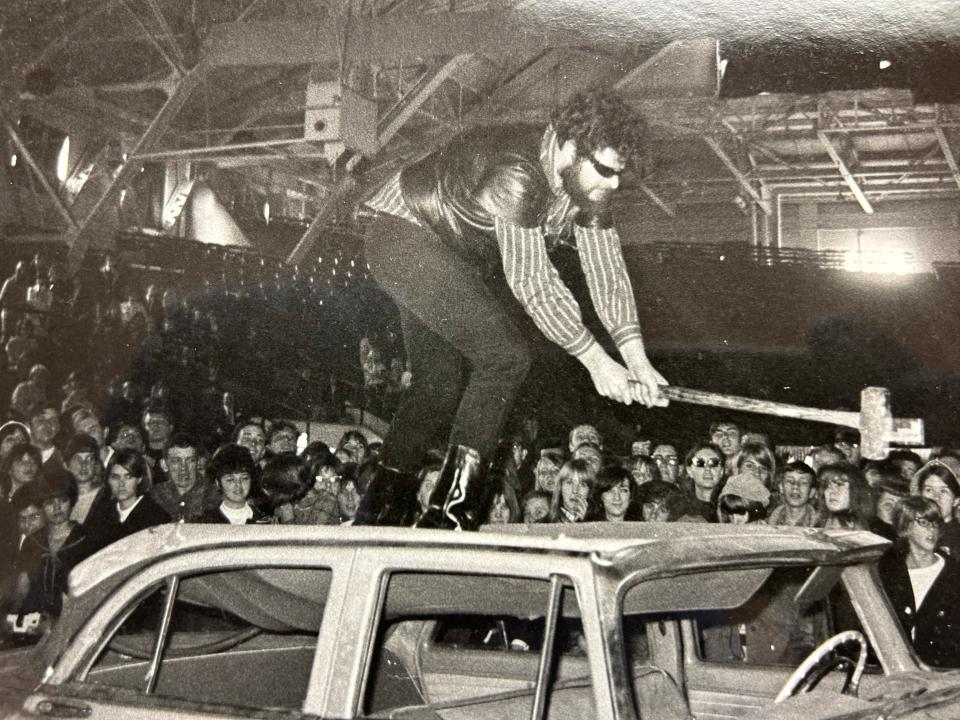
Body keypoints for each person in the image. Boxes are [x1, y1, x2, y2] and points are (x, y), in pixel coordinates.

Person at [361, 89, 666, 507]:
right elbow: (534, 283)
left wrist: (637, 361)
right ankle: (452, 514)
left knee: (438, 386)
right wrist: (597, 363)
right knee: (505, 358)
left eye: (620, 175)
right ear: (570, 146)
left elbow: (608, 272)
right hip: (404, 237)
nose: (613, 184)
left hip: (444, 253)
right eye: (606, 170)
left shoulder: (586, 184)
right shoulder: (517, 172)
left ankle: (376, 511)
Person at [878, 495, 960, 668]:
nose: (932, 529)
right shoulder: (889, 572)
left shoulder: (953, 574)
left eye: (935, 522)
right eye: (923, 522)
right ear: (906, 526)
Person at [86, 449, 171, 551]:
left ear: (139, 479)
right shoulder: (102, 514)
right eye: (115, 477)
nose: (121, 484)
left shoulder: (156, 516)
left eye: (128, 477)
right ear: (108, 480)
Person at [201, 444, 272, 525]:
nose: (238, 485)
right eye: (230, 480)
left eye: (244, 478)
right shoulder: (206, 522)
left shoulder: (264, 520)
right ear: (218, 483)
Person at [912, 456, 960, 559]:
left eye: (943, 491)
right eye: (929, 490)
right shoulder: (911, 531)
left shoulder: (956, 539)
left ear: (956, 500)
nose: (935, 497)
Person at [816, 463, 873, 530]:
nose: (831, 492)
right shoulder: (819, 521)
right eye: (827, 486)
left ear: (855, 490)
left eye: (839, 484)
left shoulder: (861, 529)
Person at [766, 461, 821, 527]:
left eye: (803, 483)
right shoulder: (766, 524)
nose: (795, 486)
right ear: (781, 488)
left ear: (812, 492)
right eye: (790, 481)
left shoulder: (821, 524)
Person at [680, 442, 725, 522]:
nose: (707, 468)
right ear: (689, 471)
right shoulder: (679, 505)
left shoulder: (729, 504)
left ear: (721, 471)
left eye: (714, 463)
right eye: (700, 463)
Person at [548, 458, 595, 523]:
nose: (575, 491)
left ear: (589, 492)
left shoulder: (600, 524)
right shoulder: (544, 523)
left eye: (582, 484)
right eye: (569, 482)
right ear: (561, 487)